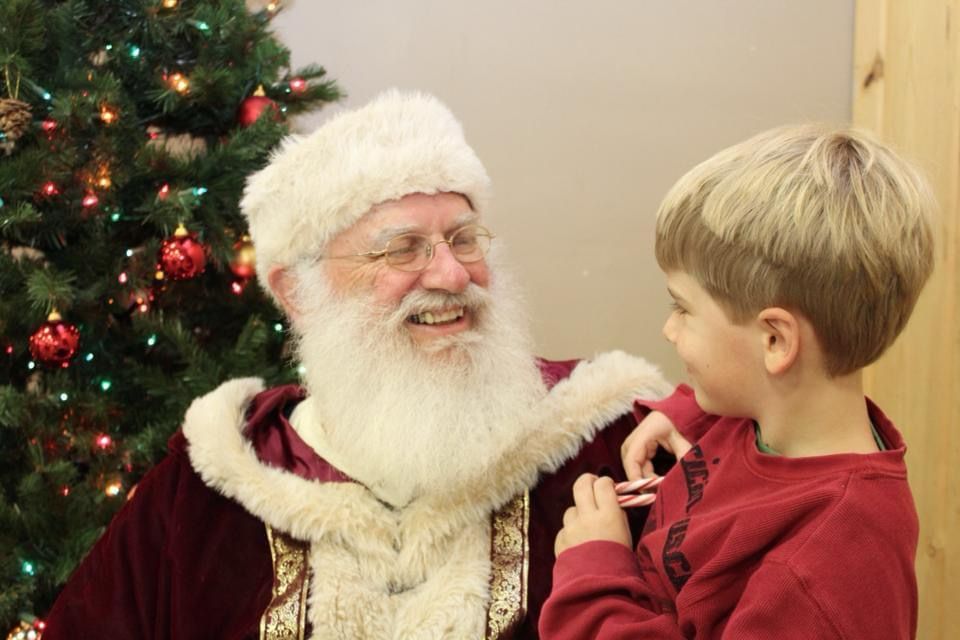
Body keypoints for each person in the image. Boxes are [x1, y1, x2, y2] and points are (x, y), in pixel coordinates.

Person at [42, 90, 671, 639]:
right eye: (402, 249)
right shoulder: (205, 491)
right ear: (297, 292)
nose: (453, 276)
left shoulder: (610, 439)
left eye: (463, 239)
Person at [539, 124, 935, 639]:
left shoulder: (821, 574)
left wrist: (595, 577)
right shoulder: (786, 414)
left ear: (774, 340)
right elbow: (754, 396)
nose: (669, 329)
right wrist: (686, 415)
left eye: (683, 309)